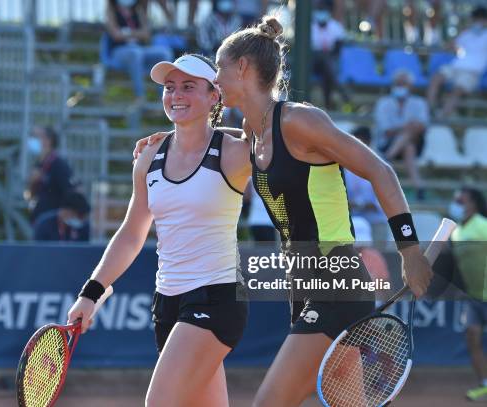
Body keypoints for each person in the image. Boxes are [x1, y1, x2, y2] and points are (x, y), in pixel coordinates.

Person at [135, 16, 433, 406]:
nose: (217, 78)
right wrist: (174, 136)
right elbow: (218, 140)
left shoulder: (300, 121)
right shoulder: (250, 130)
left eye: (220, 68)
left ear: (242, 68)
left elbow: (380, 170)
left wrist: (409, 250)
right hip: (302, 285)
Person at [68, 54, 251, 406]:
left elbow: (278, 134)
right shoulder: (149, 157)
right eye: (169, 88)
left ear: (215, 95)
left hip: (217, 298)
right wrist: (90, 293)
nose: (175, 95)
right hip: (166, 304)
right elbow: (132, 233)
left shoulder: (234, 152)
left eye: (188, 87)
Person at [449, 187, 487, 401]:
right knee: (472, 336)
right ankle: (484, 384)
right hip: (473, 297)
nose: (457, 202)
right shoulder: (456, 232)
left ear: (473, 202)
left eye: (461, 199)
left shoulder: (483, 225)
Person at [374, 69, 428, 200]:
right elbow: (386, 131)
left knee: (410, 135)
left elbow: (422, 126)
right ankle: (418, 185)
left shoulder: (419, 103)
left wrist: (406, 128)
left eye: (403, 83)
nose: (400, 86)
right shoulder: (384, 103)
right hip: (388, 142)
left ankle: (387, 159)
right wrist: (407, 127)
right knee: (408, 146)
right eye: (398, 83)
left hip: (415, 141)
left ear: (410, 86)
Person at [104, 0, 174, 100]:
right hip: (119, 52)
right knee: (135, 53)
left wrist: (126, 33)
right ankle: (140, 97)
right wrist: (137, 33)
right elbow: (116, 35)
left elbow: (146, 34)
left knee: (164, 53)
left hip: (140, 49)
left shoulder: (138, 11)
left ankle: (165, 98)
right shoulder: (111, 11)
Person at [427, 6, 487, 117]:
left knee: (456, 91)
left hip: (472, 72)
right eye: (476, 19)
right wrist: (462, 32)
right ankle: (429, 111)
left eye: (480, 19)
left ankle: (441, 117)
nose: (478, 22)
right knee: (436, 79)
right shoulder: (466, 34)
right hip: (455, 67)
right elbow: (447, 47)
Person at [345, 126, 389, 241]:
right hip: (353, 221)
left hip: (376, 221)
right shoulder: (343, 165)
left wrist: (368, 205)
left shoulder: (382, 165)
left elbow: (386, 199)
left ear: (368, 142)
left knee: (378, 256)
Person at [25, 126, 74, 224]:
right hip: (38, 220)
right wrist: (31, 183)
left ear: (48, 140)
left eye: (35, 136)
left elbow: (68, 193)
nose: (31, 140)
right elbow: (29, 196)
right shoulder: (38, 164)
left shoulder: (59, 165)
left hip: (53, 224)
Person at [311, 0, 348, 109]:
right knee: (325, 63)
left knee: (327, 68)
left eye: (323, 9)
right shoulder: (309, 27)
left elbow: (337, 50)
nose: (321, 12)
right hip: (313, 63)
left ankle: (328, 103)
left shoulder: (336, 27)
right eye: (319, 9)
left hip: (329, 62)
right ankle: (342, 96)